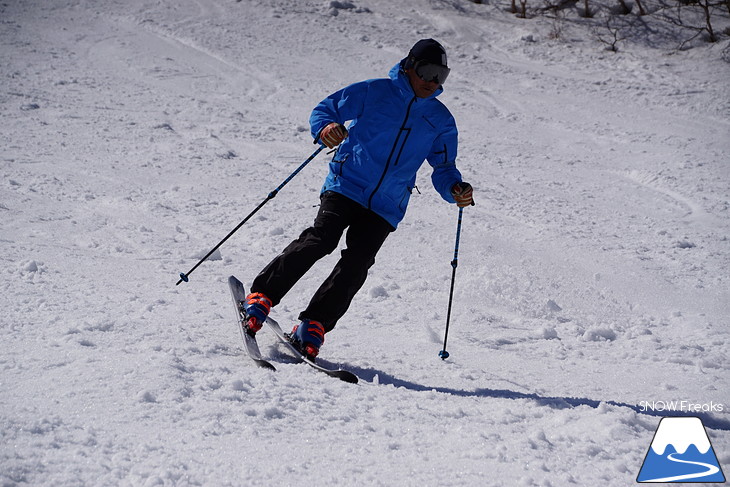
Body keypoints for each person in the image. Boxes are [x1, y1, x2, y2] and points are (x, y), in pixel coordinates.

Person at [243, 39, 474, 360]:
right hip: (347, 183)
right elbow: (325, 110)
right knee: (322, 239)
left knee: (358, 263)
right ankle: (262, 296)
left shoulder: (441, 120)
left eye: (441, 75)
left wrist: (455, 189)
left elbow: (444, 167)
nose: (432, 81)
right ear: (410, 66)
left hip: (387, 204)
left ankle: (314, 325)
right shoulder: (374, 91)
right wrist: (326, 128)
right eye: (427, 71)